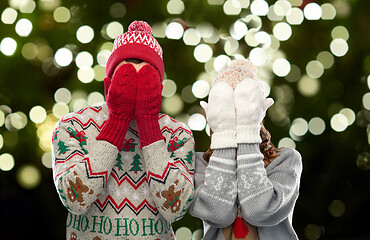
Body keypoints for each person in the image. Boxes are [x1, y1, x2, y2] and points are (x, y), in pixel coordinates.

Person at [51, 20, 195, 240]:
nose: (136, 87)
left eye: (146, 78)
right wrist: (117, 122)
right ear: (109, 85)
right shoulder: (73, 126)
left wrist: (149, 126)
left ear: (159, 90)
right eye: (127, 75)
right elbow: (74, 199)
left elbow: (175, 209)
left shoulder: (177, 134)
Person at [189, 60, 303, 240]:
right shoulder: (200, 163)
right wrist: (224, 137)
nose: (235, 113)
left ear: (259, 111)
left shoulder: (286, 159)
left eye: (244, 105)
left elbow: (261, 211)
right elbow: (217, 213)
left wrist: (247, 134)